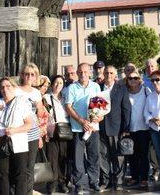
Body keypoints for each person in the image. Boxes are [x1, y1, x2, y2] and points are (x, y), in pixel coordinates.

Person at [65, 62, 103, 194]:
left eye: (85, 72)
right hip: (77, 128)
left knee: (94, 156)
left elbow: (100, 106)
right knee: (78, 158)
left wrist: (99, 117)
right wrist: (81, 121)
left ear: (90, 72)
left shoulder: (96, 87)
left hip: (93, 128)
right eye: (80, 72)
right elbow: (68, 107)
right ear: (77, 72)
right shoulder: (72, 88)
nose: (83, 74)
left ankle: (94, 182)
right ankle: (80, 184)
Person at [0, 77, 34, 195]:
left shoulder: (21, 102)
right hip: (2, 142)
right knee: (3, 174)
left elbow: (29, 124)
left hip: (18, 143)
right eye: (2, 87)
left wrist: (15, 130)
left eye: (8, 86)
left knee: (20, 175)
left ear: (14, 87)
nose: (5, 89)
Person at [98, 65, 131, 190]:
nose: (108, 75)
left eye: (111, 73)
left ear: (115, 75)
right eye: (106, 73)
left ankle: (118, 180)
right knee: (103, 155)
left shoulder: (121, 89)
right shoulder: (98, 88)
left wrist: (126, 128)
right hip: (100, 128)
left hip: (116, 128)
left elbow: (126, 109)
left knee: (118, 156)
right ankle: (105, 180)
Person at [17, 63, 46, 195]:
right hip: (19, 133)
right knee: (19, 166)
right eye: (27, 74)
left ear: (36, 77)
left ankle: (28, 191)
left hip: (33, 134)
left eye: (32, 74)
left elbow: (40, 114)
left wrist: (39, 108)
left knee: (30, 166)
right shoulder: (16, 90)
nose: (29, 76)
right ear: (22, 75)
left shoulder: (36, 93)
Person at [44, 75, 70, 194]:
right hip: (52, 130)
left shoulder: (66, 97)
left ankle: (62, 182)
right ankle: (51, 184)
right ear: (52, 83)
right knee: (52, 158)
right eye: (56, 82)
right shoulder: (46, 97)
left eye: (60, 83)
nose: (58, 85)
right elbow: (44, 115)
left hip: (65, 130)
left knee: (63, 158)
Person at [125, 68, 151, 189]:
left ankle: (144, 177)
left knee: (144, 154)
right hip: (130, 128)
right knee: (132, 154)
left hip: (144, 128)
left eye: (136, 78)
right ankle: (134, 176)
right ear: (127, 80)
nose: (133, 80)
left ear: (140, 79)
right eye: (130, 78)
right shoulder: (125, 92)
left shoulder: (146, 90)